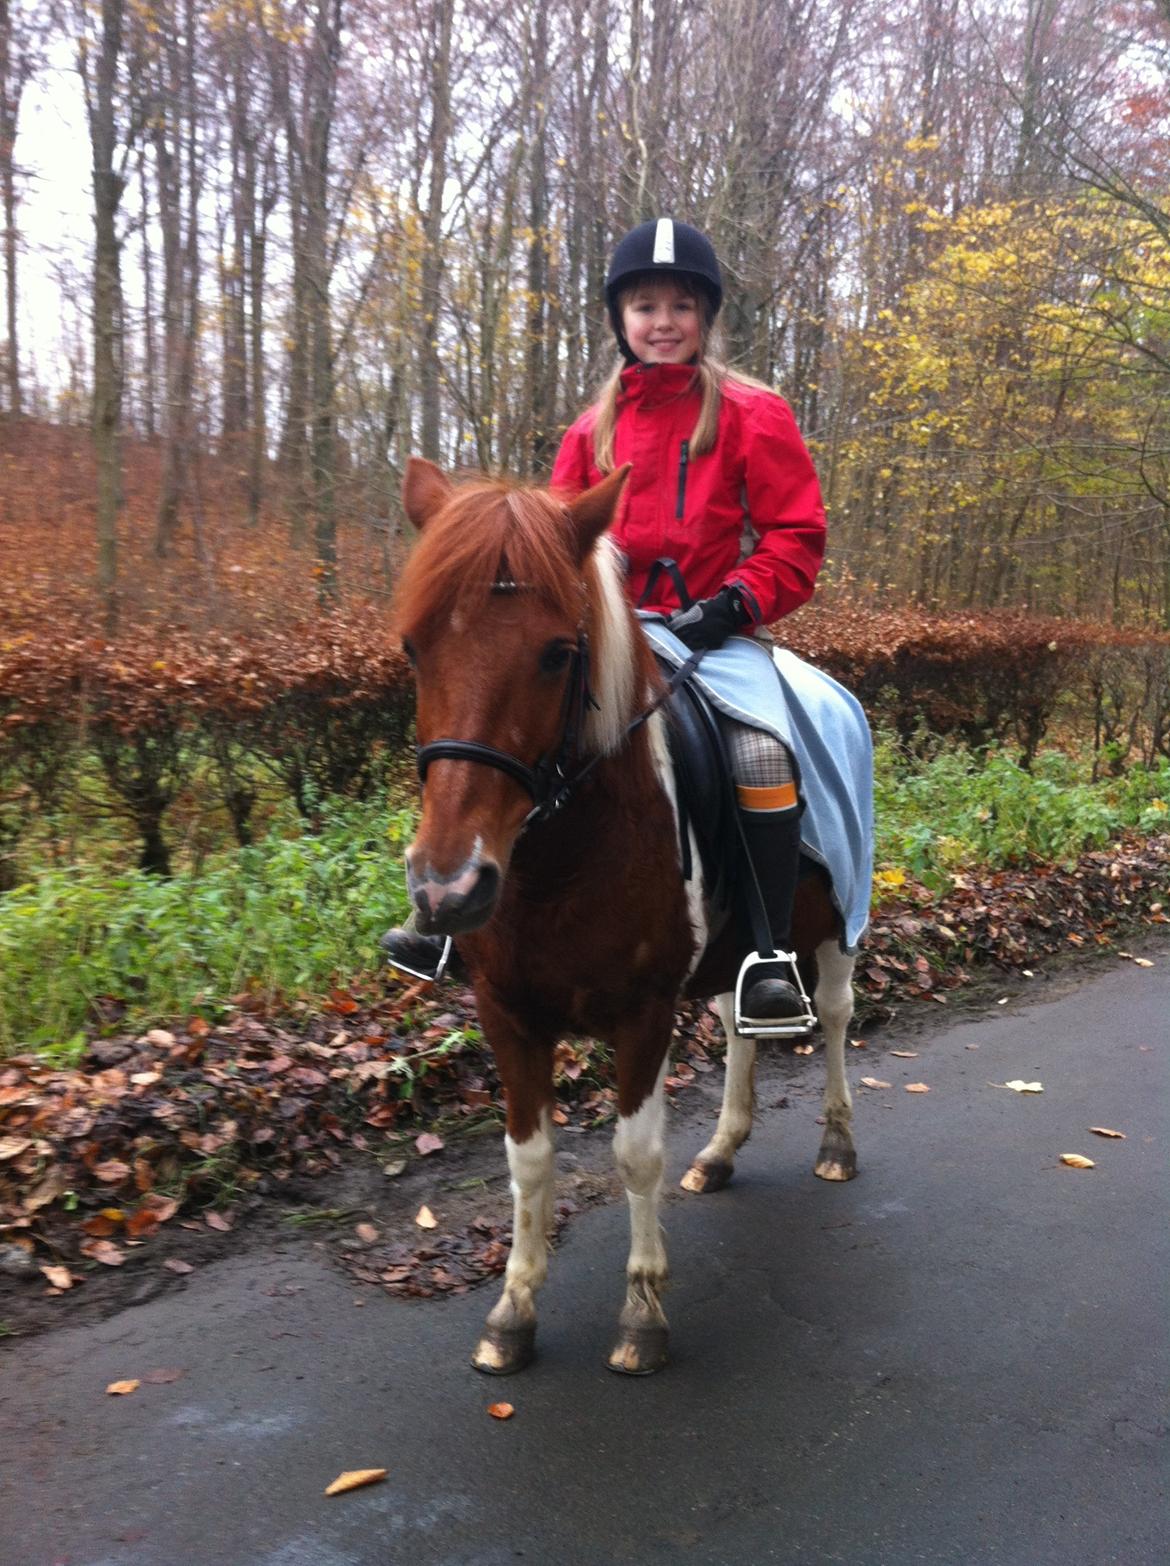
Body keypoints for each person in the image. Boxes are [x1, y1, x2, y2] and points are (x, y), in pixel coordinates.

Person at [383, 217, 828, 1026]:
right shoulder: (591, 430)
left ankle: (766, 949)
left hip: (713, 634)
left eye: (680, 306)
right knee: (506, 731)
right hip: (608, 637)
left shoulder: (754, 416)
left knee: (760, 752)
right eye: (645, 306)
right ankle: (451, 920)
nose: (663, 321)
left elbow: (797, 537)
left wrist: (732, 604)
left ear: (705, 317)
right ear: (621, 321)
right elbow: (553, 552)